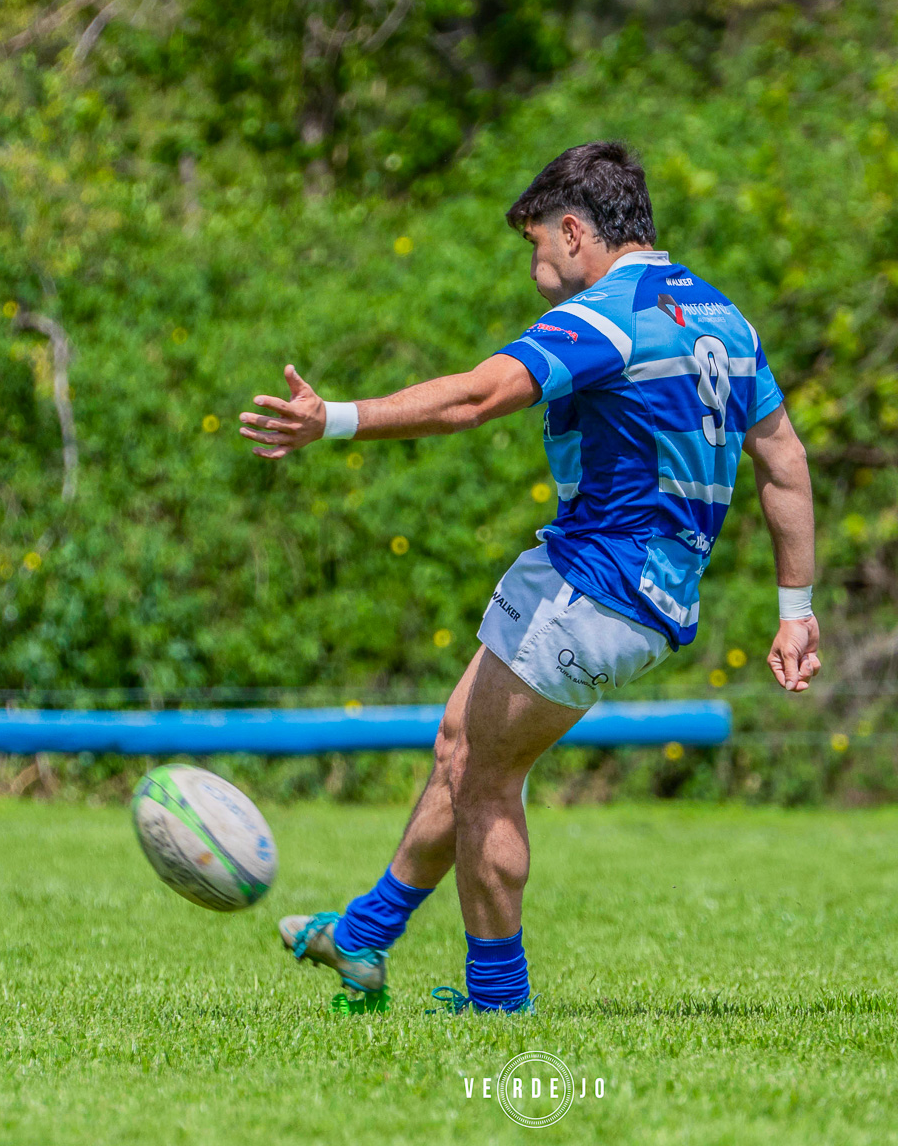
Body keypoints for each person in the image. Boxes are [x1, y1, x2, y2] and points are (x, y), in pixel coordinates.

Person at [238, 142, 821, 1013]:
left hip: (593, 585)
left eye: (537, 241)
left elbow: (477, 398)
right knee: (460, 744)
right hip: (644, 595)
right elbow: (785, 463)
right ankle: (363, 936)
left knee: (484, 781)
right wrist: (796, 607)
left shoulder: (605, 316)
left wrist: (336, 422)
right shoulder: (723, 320)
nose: (537, 262)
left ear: (576, 230)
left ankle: (498, 1003)